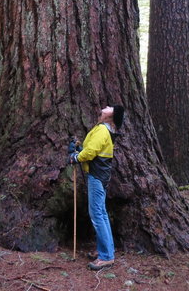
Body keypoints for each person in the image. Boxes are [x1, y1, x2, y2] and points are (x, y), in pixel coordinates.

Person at [68, 104, 125, 270]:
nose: (106, 106)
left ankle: (106, 256)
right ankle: (106, 249)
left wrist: (75, 157)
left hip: (97, 177)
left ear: (111, 116)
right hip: (100, 176)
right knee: (102, 213)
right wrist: (79, 149)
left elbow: (91, 152)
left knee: (97, 215)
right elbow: (93, 149)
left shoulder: (102, 130)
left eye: (110, 107)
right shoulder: (106, 130)